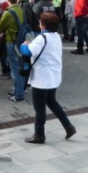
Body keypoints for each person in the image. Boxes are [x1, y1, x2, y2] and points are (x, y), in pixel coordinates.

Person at [22, 12, 76, 144]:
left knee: (39, 107)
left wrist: (24, 44)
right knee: (52, 102)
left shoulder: (42, 38)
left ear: (43, 24)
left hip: (42, 78)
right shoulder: (56, 36)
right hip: (53, 75)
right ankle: (68, 126)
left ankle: (39, 134)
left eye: (40, 21)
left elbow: (27, 52)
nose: (38, 23)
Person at [0, 0, 26, 102]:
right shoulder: (20, 9)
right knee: (20, 67)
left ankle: (19, 95)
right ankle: (20, 90)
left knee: (15, 69)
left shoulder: (8, 12)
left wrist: (3, 30)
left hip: (12, 42)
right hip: (21, 41)